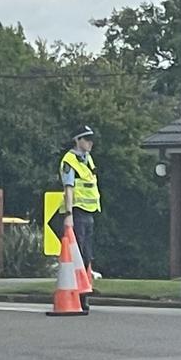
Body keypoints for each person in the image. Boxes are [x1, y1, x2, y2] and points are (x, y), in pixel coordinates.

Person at [60, 124, 100, 313]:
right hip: (77, 212)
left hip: (89, 211)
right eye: (86, 139)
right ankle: (80, 297)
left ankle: (84, 292)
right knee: (79, 255)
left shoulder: (88, 160)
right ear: (77, 140)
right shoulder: (70, 160)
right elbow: (69, 189)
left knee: (87, 255)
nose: (90, 143)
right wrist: (68, 215)